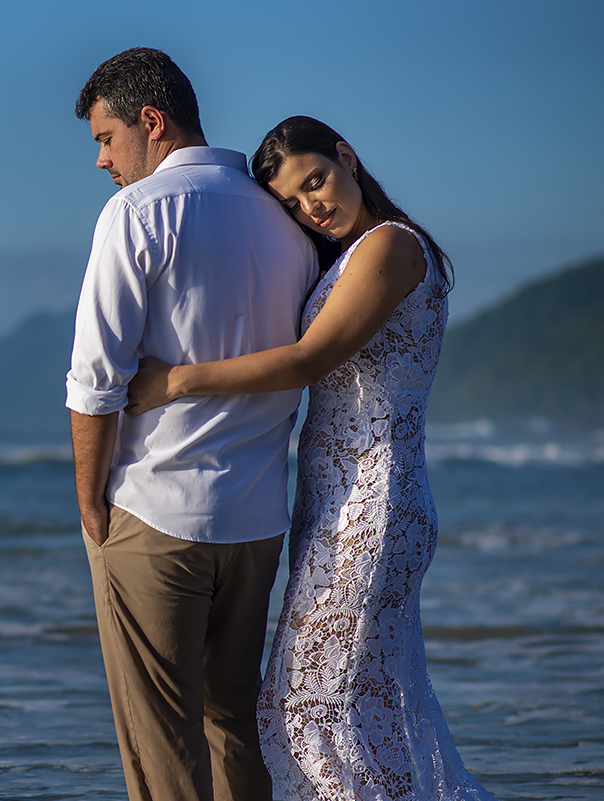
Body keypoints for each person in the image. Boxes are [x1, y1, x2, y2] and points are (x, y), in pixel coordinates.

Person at [126, 116, 497, 800]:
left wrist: (174, 381)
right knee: (372, 706)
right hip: (340, 503)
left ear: (347, 157)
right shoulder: (356, 252)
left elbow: (309, 359)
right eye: (293, 204)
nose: (312, 206)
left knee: (307, 708)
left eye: (316, 181)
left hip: (370, 506)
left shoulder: (390, 247)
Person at [66, 50, 318, 801]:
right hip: (255, 520)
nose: (103, 162)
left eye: (106, 139)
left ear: (152, 121)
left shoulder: (137, 213)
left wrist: (89, 504)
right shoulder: (286, 222)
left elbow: (96, 379)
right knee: (231, 724)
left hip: (157, 511)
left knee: (161, 742)